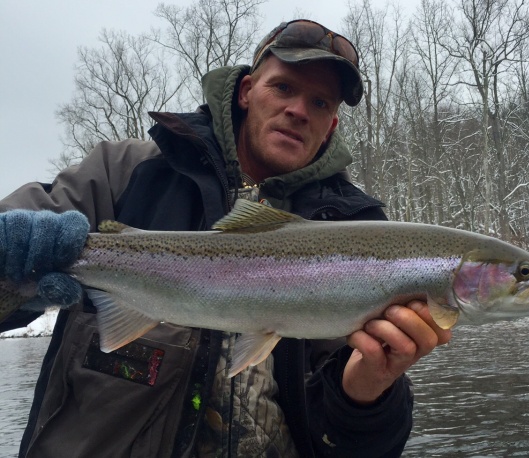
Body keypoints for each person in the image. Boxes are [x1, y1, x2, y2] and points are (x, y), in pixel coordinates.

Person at [0, 19, 451, 457]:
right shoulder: (126, 173)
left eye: (319, 102)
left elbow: (363, 447)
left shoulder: (355, 233)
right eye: (284, 87)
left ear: (331, 125)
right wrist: (12, 271)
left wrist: (367, 391)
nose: (298, 111)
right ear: (246, 91)